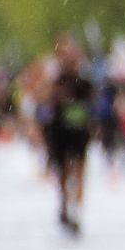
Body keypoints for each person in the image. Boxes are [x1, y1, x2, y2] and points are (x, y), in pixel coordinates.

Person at [42, 37, 97, 236]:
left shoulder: (85, 81)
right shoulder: (56, 80)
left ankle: (76, 209)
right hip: (61, 131)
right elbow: (45, 101)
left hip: (80, 131)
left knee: (79, 171)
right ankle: (65, 204)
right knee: (64, 172)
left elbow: (93, 104)